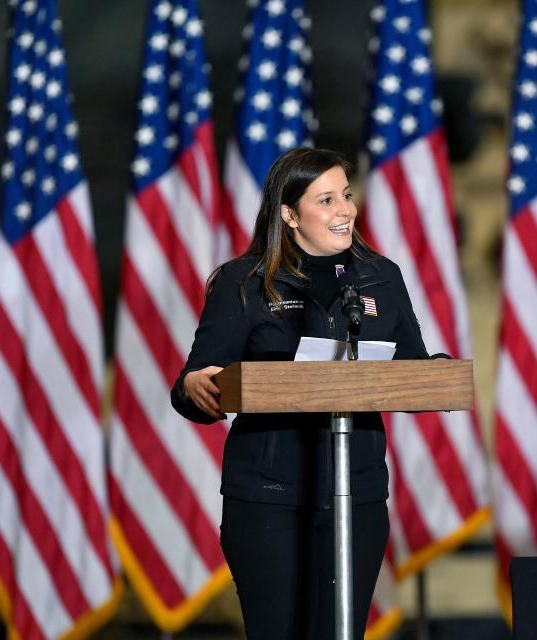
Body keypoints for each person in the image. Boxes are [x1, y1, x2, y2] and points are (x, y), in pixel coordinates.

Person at [170, 147, 430, 639]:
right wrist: (196, 385)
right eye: (327, 199)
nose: (345, 210)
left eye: (346, 197)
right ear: (289, 214)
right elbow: (192, 387)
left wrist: (434, 371)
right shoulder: (243, 283)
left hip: (358, 495)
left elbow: (414, 369)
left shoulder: (381, 277)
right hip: (270, 500)